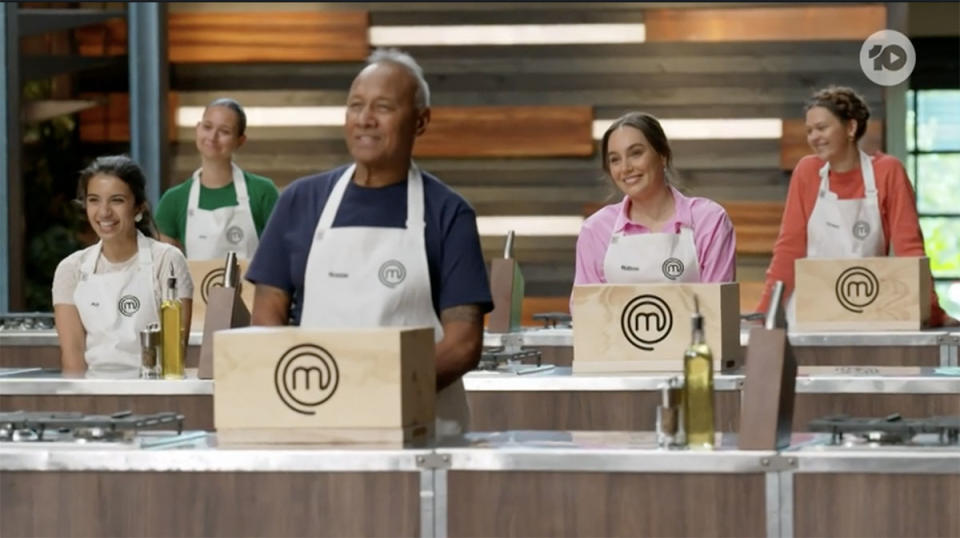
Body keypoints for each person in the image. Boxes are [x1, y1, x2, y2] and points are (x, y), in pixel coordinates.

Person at [246, 49, 493, 435]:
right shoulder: (300, 201)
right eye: (355, 106)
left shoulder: (449, 213)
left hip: (421, 431)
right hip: (315, 418)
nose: (365, 119)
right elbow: (266, 318)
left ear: (421, 121)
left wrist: (376, 394)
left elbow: (463, 343)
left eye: (383, 107)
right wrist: (312, 390)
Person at [756, 85, 956, 326]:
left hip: (871, 308)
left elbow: (910, 251)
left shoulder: (888, 171)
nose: (814, 138)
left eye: (821, 128)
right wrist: (763, 314)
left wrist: (932, 312)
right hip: (811, 315)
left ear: (850, 127)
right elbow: (789, 250)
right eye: (809, 131)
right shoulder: (807, 173)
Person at [52, 155, 194, 375]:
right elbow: (73, 359)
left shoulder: (168, 261)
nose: (104, 212)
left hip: (155, 395)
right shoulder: (70, 269)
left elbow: (174, 357)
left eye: (116, 200)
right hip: (93, 396)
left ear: (138, 208)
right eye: (94, 200)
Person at [573, 112, 736, 291]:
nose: (625, 168)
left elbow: (718, 309)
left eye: (636, 153)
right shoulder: (595, 230)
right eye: (615, 160)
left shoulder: (709, 221)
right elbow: (587, 311)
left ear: (662, 155)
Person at [155, 97, 279, 260]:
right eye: (207, 127)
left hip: (251, 286)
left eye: (225, 131)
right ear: (197, 129)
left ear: (240, 141)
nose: (213, 137)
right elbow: (166, 269)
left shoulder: (263, 191)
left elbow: (280, 254)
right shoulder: (173, 199)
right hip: (196, 286)